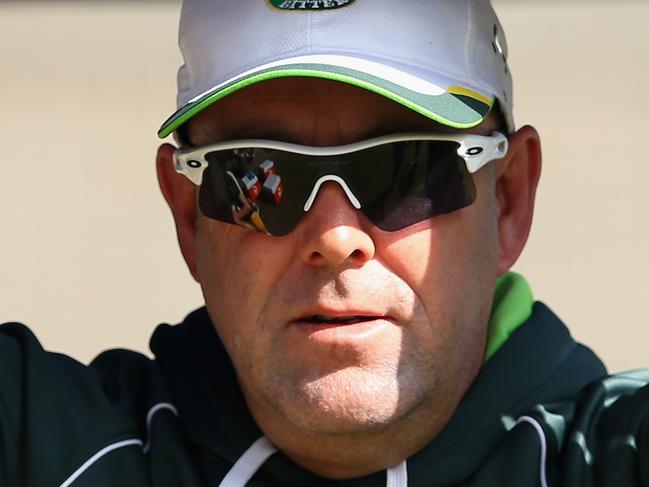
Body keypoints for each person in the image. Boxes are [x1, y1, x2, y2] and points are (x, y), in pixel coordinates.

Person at [1, 1, 647, 486]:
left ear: (508, 200)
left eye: (407, 169)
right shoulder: (44, 442)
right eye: (258, 176)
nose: (336, 238)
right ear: (189, 215)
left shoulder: (611, 456)